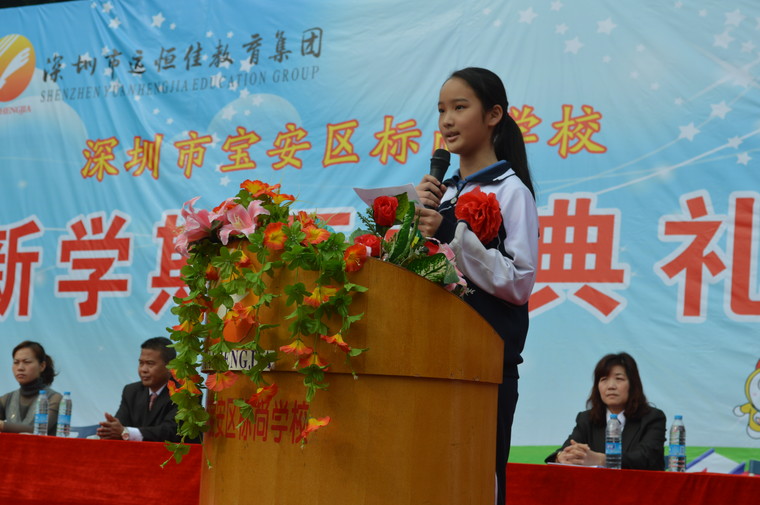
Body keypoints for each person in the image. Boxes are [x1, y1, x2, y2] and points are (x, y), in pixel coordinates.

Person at [415, 67, 539, 504]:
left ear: (493, 115)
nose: (447, 120)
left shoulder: (511, 192)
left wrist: (450, 232)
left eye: (459, 107)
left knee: (476, 484)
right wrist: (408, 225)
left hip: (484, 367)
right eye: (441, 110)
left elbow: (519, 282)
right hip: (429, 361)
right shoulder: (440, 195)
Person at [545, 352, 666, 470]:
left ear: (633, 385)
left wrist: (601, 459)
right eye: (604, 379)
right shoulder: (586, 419)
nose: (611, 386)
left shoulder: (652, 418)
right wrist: (561, 457)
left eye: (619, 379)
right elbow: (567, 449)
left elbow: (647, 458)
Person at [97, 336, 183, 442]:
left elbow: (171, 431)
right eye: (141, 363)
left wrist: (127, 433)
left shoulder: (185, 393)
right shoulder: (131, 391)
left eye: (150, 363)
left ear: (170, 366)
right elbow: (120, 427)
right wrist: (111, 430)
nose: (143, 369)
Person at [0, 341, 62, 435]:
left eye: (27, 362)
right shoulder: (7, 398)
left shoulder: (55, 398)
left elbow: (39, 429)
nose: (20, 368)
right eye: (16, 362)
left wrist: (3, 425)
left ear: (42, 366)